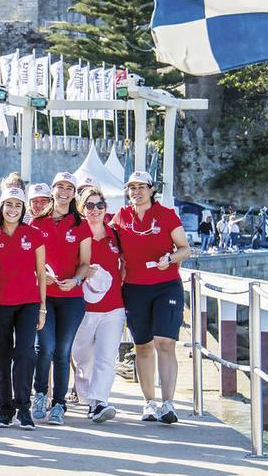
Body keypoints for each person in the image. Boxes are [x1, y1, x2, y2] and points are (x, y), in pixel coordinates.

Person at [112, 171, 191, 424]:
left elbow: (185, 249)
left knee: (165, 342)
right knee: (143, 346)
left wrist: (169, 259)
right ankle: (149, 403)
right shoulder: (122, 216)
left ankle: (168, 404)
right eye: (131, 188)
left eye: (141, 187)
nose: (136, 192)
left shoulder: (167, 215)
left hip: (166, 285)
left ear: (151, 190)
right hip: (134, 287)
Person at [29, 172, 91, 425]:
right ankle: (40, 393)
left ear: (74, 193)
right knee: (44, 348)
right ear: (52, 190)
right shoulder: (36, 222)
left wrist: (75, 280)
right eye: (60, 187)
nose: (64, 191)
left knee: (63, 352)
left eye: (69, 187)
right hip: (43, 296)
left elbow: (86, 264)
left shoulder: (81, 224)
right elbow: (29, 258)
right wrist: (41, 273)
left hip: (71, 296)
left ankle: (59, 404)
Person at [0, 187, 46, 430]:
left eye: (17, 205)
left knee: (25, 354)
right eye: (8, 205)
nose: (12, 210)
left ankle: (23, 408)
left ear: (23, 209)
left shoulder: (34, 234)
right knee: (1, 356)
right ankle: (4, 410)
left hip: (28, 303)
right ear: (1, 207)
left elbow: (41, 272)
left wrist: (42, 308)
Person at [72, 187, 125, 423]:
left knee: (106, 356)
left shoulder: (115, 234)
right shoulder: (76, 234)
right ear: (82, 209)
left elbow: (125, 262)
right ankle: (85, 395)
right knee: (83, 357)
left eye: (99, 205)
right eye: (90, 206)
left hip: (113, 307)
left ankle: (99, 402)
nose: (95, 210)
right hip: (82, 309)